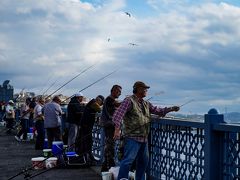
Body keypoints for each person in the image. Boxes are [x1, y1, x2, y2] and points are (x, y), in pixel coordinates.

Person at [113, 81, 180, 180]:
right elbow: (117, 116)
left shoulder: (146, 103)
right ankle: (122, 178)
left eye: (146, 89)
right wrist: (117, 130)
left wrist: (171, 109)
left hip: (144, 139)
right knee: (128, 161)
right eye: (144, 88)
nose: (146, 90)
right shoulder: (129, 100)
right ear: (138, 89)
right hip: (132, 138)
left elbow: (158, 111)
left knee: (143, 162)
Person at [76, 95, 104, 163]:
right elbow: (99, 109)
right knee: (88, 141)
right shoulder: (94, 103)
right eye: (101, 103)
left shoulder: (91, 102)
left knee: (85, 140)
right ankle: (88, 157)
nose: (101, 104)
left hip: (85, 124)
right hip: (86, 125)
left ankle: (85, 156)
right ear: (99, 100)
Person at [101, 85, 122, 172]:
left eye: (120, 92)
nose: (119, 93)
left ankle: (106, 167)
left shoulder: (109, 100)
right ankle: (108, 168)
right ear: (112, 91)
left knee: (109, 146)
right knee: (110, 147)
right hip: (110, 126)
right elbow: (114, 112)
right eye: (118, 91)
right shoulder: (109, 100)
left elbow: (115, 106)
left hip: (109, 126)